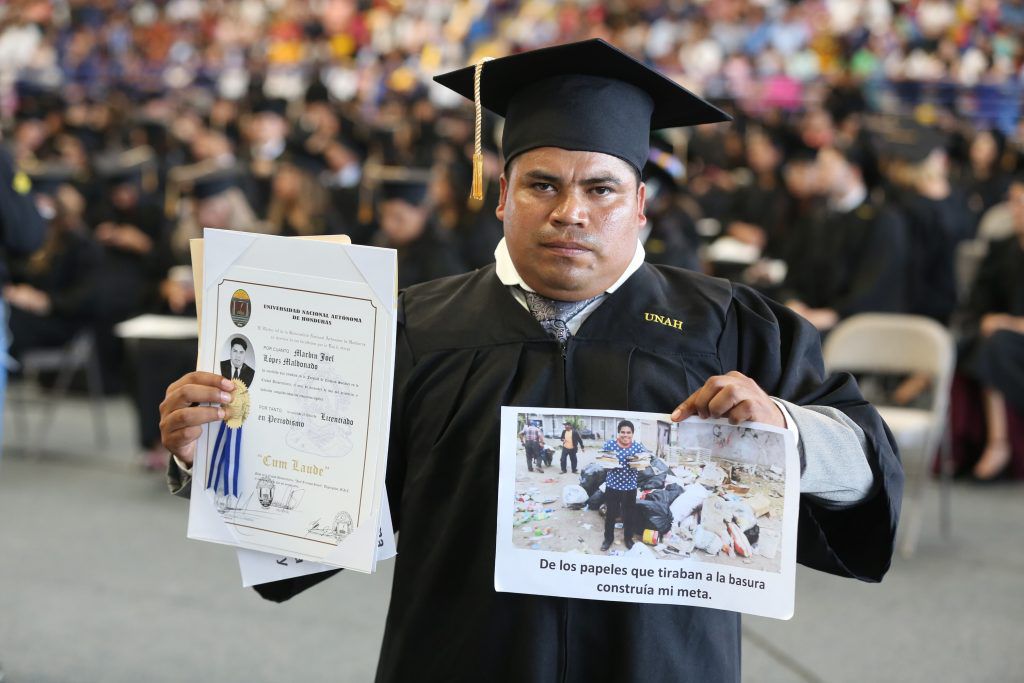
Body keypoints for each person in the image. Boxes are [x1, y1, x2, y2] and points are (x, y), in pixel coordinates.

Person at [159, 39, 902, 681]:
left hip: (662, 663)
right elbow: (318, 501)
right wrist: (211, 450)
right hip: (460, 658)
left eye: (601, 189)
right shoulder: (411, 324)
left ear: (640, 205)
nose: (570, 211)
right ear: (502, 193)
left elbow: (867, 463)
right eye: (543, 184)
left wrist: (785, 429)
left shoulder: (730, 324)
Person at [600, 420, 646, 551]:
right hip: (613, 487)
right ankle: (608, 539)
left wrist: (638, 462)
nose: (625, 435)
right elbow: (604, 464)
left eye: (628, 432)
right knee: (611, 515)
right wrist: (609, 463)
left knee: (629, 515)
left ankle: (628, 539)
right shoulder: (609, 445)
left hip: (630, 488)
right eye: (622, 432)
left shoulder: (637, 447)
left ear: (633, 433)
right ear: (618, 433)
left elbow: (642, 466)